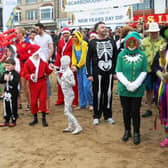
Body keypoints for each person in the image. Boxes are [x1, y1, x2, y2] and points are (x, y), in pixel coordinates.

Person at [116, 31, 147, 145]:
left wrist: (136, 84)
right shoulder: (121, 55)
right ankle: (127, 130)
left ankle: (137, 132)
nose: (132, 44)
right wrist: (128, 84)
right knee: (126, 111)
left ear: (137, 43)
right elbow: (118, 71)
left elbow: (144, 71)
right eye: (130, 42)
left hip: (138, 89)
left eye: (134, 42)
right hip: (124, 89)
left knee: (135, 111)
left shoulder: (142, 55)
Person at [86, 21, 118, 125]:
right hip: (97, 73)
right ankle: (96, 115)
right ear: (97, 30)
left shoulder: (112, 41)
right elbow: (88, 59)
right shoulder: (92, 43)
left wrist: (115, 72)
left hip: (109, 73)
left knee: (108, 94)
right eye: (102, 27)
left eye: (105, 27)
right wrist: (89, 74)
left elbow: (115, 57)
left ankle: (108, 115)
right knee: (97, 94)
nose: (105, 29)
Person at [51, 55, 82, 134]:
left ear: (67, 63)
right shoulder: (64, 71)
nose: (61, 64)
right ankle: (70, 126)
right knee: (69, 110)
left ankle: (78, 126)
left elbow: (74, 83)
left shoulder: (69, 72)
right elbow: (61, 84)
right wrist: (57, 75)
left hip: (69, 94)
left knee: (66, 111)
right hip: (66, 93)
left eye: (63, 63)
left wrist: (67, 80)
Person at [23, 44, 52, 127]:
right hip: (33, 84)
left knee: (43, 100)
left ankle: (43, 118)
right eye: (38, 52)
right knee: (34, 101)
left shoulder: (42, 61)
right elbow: (25, 74)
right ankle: (35, 118)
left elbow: (47, 72)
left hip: (42, 82)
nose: (39, 54)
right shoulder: (28, 62)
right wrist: (30, 76)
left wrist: (50, 68)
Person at [142, 22, 166, 117]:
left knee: (160, 89)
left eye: (155, 32)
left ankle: (160, 107)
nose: (154, 33)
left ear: (158, 32)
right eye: (152, 32)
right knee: (148, 89)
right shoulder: (143, 42)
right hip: (147, 69)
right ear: (149, 32)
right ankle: (149, 109)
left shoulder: (163, 42)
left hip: (160, 70)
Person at [54, 27, 78, 106]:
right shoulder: (60, 42)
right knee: (61, 82)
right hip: (62, 64)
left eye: (67, 33)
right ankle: (61, 99)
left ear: (69, 33)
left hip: (71, 63)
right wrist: (57, 64)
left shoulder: (73, 41)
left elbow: (76, 52)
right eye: (64, 33)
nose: (65, 35)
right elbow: (58, 53)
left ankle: (74, 100)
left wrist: (75, 64)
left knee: (72, 83)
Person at [152, 26, 168, 147]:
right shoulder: (162, 49)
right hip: (165, 85)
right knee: (165, 110)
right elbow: (155, 65)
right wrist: (161, 75)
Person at [34, 23, 54, 113]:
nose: (36, 31)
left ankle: (47, 107)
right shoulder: (36, 38)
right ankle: (41, 106)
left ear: (42, 28)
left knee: (47, 84)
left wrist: (47, 59)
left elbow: (51, 49)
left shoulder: (48, 37)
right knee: (38, 84)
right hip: (37, 63)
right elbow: (35, 49)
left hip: (45, 63)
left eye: (37, 29)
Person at [71, 31, 93, 110]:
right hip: (78, 68)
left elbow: (84, 58)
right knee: (80, 86)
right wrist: (73, 65)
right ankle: (82, 104)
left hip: (86, 67)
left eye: (76, 36)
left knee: (86, 86)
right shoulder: (74, 46)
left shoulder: (84, 44)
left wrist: (77, 66)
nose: (74, 38)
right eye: (73, 37)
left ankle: (91, 103)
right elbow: (73, 56)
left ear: (79, 36)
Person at [15, 27, 32, 111]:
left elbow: (30, 54)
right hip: (19, 66)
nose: (16, 34)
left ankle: (30, 103)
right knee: (19, 86)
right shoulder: (17, 43)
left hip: (26, 66)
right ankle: (20, 103)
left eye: (17, 33)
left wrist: (20, 56)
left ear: (22, 33)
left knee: (26, 86)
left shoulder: (27, 42)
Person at [0, 58, 20, 127]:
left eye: (9, 65)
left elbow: (15, 84)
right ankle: (6, 120)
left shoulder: (16, 74)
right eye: (7, 65)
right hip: (7, 92)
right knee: (6, 106)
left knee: (13, 106)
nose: (8, 67)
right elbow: (1, 81)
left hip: (13, 93)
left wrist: (9, 80)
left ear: (14, 66)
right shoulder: (6, 72)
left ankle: (13, 120)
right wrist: (3, 77)